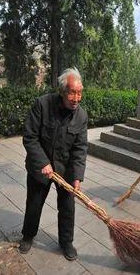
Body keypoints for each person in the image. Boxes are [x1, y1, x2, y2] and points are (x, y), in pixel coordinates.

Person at [19, 68, 88, 261]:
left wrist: (76, 176)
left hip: (65, 170)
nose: (76, 98)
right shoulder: (42, 105)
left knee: (67, 207)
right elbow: (30, 137)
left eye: (80, 93)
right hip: (40, 168)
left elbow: (80, 149)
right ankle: (28, 235)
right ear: (62, 91)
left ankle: (66, 242)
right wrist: (43, 162)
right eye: (72, 93)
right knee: (34, 204)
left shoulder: (81, 116)